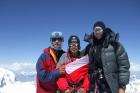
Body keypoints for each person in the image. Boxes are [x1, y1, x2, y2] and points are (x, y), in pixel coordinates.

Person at [82, 21, 130, 93]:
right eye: (95, 30)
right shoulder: (90, 46)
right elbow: (78, 56)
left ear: (104, 30)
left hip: (111, 84)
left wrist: (122, 87)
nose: (97, 32)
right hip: (95, 83)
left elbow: (123, 66)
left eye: (99, 30)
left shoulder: (115, 45)